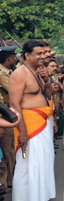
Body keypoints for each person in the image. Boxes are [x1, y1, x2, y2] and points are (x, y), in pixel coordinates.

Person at [9, 40, 56, 201]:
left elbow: (47, 96)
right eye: (39, 54)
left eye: (44, 53)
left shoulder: (37, 71)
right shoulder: (20, 73)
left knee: (42, 164)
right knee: (28, 168)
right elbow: (14, 104)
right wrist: (22, 131)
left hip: (42, 122)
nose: (44, 56)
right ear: (27, 55)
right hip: (29, 126)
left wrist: (47, 80)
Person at [0, 46, 17, 193]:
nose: (15, 59)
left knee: (10, 150)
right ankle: (3, 183)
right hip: (4, 116)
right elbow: (13, 91)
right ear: (9, 58)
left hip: (7, 116)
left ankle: (10, 180)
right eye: (14, 57)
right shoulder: (2, 74)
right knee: (5, 152)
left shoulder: (9, 72)